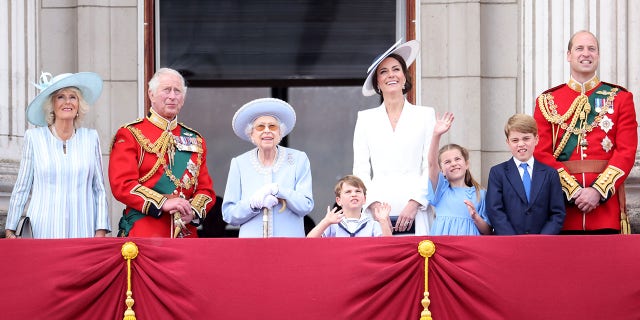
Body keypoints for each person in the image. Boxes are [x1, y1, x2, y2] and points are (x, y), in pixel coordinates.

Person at [533, 30, 637, 234]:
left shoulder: (620, 98)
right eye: (579, 48)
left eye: (592, 49)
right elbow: (540, 152)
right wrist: (573, 191)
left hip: (605, 210)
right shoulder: (547, 101)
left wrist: (597, 191)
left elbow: (626, 152)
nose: (586, 53)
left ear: (598, 55)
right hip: (562, 211)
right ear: (569, 55)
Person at [109, 68, 215, 238]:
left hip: (185, 235)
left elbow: (206, 190)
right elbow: (123, 184)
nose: (172, 96)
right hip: (145, 232)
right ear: (151, 94)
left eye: (177, 91)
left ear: (183, 98)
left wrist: (193, 211)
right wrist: (163, 203)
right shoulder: (131, 134)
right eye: (166, 90)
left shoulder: (196, 140)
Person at [4, 71, 110, 238]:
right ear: (51, 104)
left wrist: (101, 230)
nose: (67, 102)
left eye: (73, 97)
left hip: (82, 230)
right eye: (61, 97)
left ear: (79, 105)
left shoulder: (90, 138)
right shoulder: (34, 138)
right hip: (43, 230)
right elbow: (22, 187)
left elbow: (99, 189)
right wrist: (10, 228)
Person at [353, 39, 436, 235]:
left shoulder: (425, 115)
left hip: (416, 207)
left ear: (405, 78)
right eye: (383, 72)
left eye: (396, 69)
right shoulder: (365, 119)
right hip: (378, 209)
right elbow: (360, 168)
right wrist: (373, 204)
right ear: (378, 84)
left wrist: (416, 202)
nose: (391, 75)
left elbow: (430, 165)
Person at [222, 98, 314, 237]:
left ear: (280, 133)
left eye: (272, 126)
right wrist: (252, 204)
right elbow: (229, 215)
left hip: (289, 245)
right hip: (251, 246)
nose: (267, 131)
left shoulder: (298, 159)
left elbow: (305, 206)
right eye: (260, 127)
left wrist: (279, 191)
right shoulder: (239, 163)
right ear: (251, 134)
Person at [486, 114, 566, 235]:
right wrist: (513, 240)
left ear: (536, 139)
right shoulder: (497, 173)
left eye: (526, 138)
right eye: (515, 140)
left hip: (542, 244)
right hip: (509, 243)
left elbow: (557, 213)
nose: (521, 144)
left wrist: (542, 239)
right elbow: (495, 210)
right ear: (508, 142)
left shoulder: (550, 174)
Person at [427, 112, 491, 236]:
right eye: (447, 162)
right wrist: (436, 135)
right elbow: (431, 164)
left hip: (470, 247)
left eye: (457, 159)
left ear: (466, 164)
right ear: (442, 171)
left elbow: (488, 231)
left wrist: (476, 217)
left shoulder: (480, 194)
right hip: (444, 247)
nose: (453, 163)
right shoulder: (441, 190)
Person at [307, 175, 392, 237]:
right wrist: (325, 222)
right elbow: (309, 241)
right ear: (339, 201)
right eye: (348, 192)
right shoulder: (332, 224)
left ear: (364, 199)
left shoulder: (372, 224)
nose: (354, 194)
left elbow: (388, 247)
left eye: (358, 191)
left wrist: (383, 221)